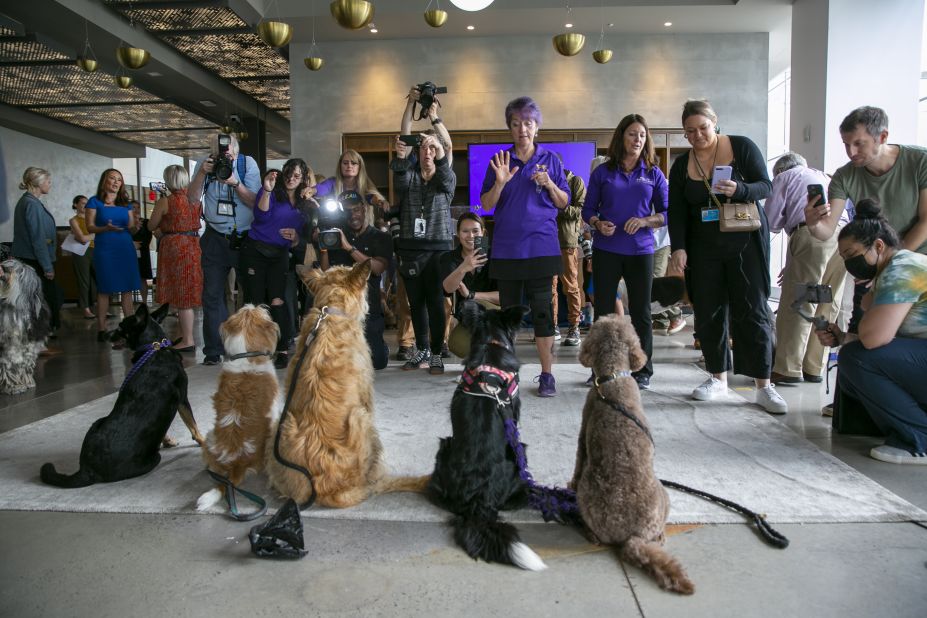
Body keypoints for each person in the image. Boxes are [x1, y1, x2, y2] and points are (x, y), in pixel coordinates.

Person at [668, 99, 787, 414]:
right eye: (690, 131)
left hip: (745, 243)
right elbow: (677, 211)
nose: (697, 136)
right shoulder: (682, 165)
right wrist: (678, 247)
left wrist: (741, 189)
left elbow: (766, 186)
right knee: (708, 312)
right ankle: (717, 377)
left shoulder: (742, 147)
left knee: (754, 309)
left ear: (714, 122)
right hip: (703, 249)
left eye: (702, 128)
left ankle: (763, 384)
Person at [815, 199, 927, 465]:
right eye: (844, 258)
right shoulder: (896, 268)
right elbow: (890, 339)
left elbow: (874, 338)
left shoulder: (901, 269)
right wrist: (842, 337)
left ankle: (920, 438)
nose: (850, 263)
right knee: (854, 352)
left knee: (857, 358)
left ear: (878, 245)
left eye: (852, 254)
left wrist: (867, 298)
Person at [480, 96, 570, 397]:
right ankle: (506, 374)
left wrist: (549, 184)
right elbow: (486, 204)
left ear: (537, 126)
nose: (522, 130)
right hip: (507, 250)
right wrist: (501, 182)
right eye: (516, 124)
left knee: (544, 314)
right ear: (510, 128)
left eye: (528, 124)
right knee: (508, 315)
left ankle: (547, 375)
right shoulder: (499, 161)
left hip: (542, 249)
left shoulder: (552, 160)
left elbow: (563, 202)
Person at [583, 113, 668, 390]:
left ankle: (643, 371)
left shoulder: (653, 173)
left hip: (641, 251)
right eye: (632, 134)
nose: (638, 139)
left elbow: (668, 212)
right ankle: (602, 367)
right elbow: (587, 211)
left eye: (642, 135)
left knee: (641, 312)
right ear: (621, 136)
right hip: (606, 249)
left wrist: (645, 221)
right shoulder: (602, 172)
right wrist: (597, 223)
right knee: (604, 313)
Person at [767, 152, 848, 385]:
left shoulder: (785, 177)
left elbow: (771, 221)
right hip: (843, 237)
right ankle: (814, 367)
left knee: (801, 301)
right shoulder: (824, 176)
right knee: (827, 301)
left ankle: (788, 368)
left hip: (812, 235)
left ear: (779, 171)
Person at [188, 133, 260, 365]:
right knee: (212, 295)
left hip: (244, 237)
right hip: (214, 238)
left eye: (228, 150)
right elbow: (191, 199)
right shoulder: (204, 164)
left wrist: (235, 181)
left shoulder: (247, 164)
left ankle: (246, 345)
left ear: (235, 150)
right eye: (220, 150)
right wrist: (202, 173)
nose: (224, 154)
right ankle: (213, 350)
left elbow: (255, 202)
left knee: (249, 294)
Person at [388, 128, 455, 375]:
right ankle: (423, 350)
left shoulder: (445, 177)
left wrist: (440, 150)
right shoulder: (411, 175)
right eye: (424, 147)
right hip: (410, 248)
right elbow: (400, 181)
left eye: (432, 147)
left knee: (437, 303)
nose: (427, 152)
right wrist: (402, 157)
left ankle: (437, 354)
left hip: (438, 249)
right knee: (415, 303)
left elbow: (446, 178)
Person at [244, 161, 313, 369]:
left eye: (297, 176)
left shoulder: (305, 202)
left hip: (280, 254)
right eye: (289, 174)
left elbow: (305, 234)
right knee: (255, 303)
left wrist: (295, 237)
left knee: (277, 301)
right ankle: (257, 349)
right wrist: (266, 189)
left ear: (303, 179)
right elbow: (261, 215)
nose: (291, 178)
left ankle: (282, 349)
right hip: (255, 250)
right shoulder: (272, 192)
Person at [322, 190, 393, 370]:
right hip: (340, 308)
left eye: (356, 210)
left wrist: (348, 247)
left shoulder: (380, 237)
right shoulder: (334, 235)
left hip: (368, 309)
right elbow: (325, 272)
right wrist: (323, 247)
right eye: (347, 211)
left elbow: (377, 268)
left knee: (377, 362)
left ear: (364, 209)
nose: (353, 215)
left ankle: (377, 342)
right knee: (333, 364)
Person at [148, 165, 203, 353]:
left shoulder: (166, 201)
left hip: (174, 247)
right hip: (193, 246)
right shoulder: (195, 200)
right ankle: (185, 336)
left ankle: (187, 339)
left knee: (182, 296)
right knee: (186, 292)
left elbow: (151, 225)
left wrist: (161, 228)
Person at [85, 168, 141, 341]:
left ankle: (130, 327)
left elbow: (131, 228)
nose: (116, 182)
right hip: (105, 248)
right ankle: (102, 329)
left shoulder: (127, 204)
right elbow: (89, 227)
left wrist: (135, 225)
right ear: (104, 181)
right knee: (105, 288)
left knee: (127, 288)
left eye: (119, 179)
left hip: (125, 247)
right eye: (112, 178)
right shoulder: (94, 202)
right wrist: (105, 228)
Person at [12, 167, 61, 334]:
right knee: (47, 299)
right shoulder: (31, 204)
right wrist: (47, 266)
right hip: (34, 260)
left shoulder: (28, 201)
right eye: (48, 181)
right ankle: (42, 334)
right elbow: (37, 238)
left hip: (29, 258)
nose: (50, 184)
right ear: (39, 183)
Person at [551, 166, 586, 347]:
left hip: (567, 242)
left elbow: (580, 211)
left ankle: (574, 326)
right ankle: (553, 326)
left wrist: (556, 209)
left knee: (571, 286)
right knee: (550, 288)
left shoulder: (575, 181)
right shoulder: (546, 183)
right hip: (546, 241)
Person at [440, 212, 500, 308]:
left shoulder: (495, 255)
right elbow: (448, 289)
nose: (471, 236)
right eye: (465, 231)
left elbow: (505, 296)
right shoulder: (449, 257)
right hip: (466, 314)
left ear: (483, 233)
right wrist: (463, 268)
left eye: (475, 231)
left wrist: (471, 295)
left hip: (494, 314)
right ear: (458, 234)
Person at [68, 194, 97, 320]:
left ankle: (99, 307)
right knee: (84, 281)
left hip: (97, 250)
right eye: (83, 203)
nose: (86, 206)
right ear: (76, 205)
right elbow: (81, 238)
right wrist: (96, 234)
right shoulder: (73, 220)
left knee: (99, 280)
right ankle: (86, 309)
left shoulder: (93, 219)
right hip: (82, 252)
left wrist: (89, 236)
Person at [130, 200, 153, 305]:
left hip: (143, 252)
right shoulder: (127, 223)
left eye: (137, 207)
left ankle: (144, 301)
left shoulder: (146, 222)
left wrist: (140, 245)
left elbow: (148, 237)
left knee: (143, 277)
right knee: (129, 275)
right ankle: (128, 301)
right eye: (133, 207)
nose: (136, 209)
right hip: (129, 251)